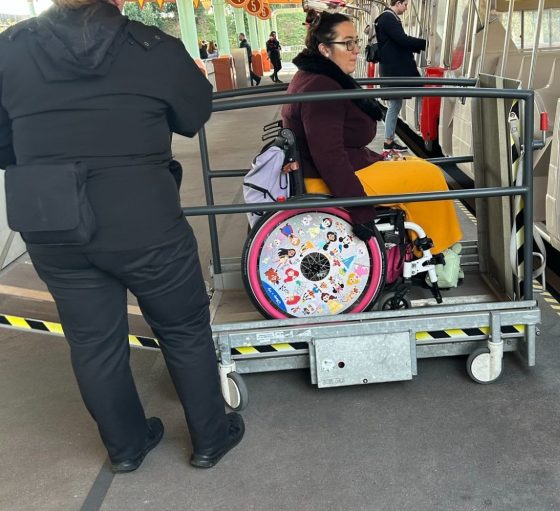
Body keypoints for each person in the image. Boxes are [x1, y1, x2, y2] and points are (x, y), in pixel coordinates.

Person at [0, 0, 244, 472]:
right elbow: (193, 114)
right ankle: (211, 439)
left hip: (53, 220)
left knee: (92, 342)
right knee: (183, 330)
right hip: (143, 220)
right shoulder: (154, 48)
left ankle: (127, 448)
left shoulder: (8, 50)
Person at [282, 12, 462, 256]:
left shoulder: (314, 77)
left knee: (414, 164)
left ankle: (424, 246)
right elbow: (329, 156)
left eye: (356, 41)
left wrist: (378, 159)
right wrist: (360, 209)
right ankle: (439, 252)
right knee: (429, 176)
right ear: (325, 49)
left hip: (332, 169)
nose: (357, 49)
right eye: (348, 43)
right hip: (325, 178)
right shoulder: (322, 87)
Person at [375, 0, 426, 152]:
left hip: (394, 69)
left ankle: (389, 140)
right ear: (398, 3)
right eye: (405, 5)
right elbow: (402, 40)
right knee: (417, 92)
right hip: (394, 70)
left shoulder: (387, 18)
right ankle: (389, 140)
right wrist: (425, 44)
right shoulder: (388, 18)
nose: (406, 8)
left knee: (396, 104)